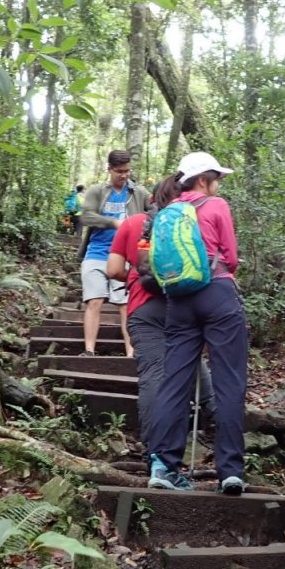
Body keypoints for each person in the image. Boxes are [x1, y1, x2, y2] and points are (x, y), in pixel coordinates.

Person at [145, 152, 249, 494]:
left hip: (178, 299)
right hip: (217, 293)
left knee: (174, 380)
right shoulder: (216, 205)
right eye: (216, 175)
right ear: (204, 177)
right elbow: (231, 258)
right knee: (229, 381)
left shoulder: (169, 209)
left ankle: (163, 466)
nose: (219, 182)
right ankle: (230, 471)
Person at [105, 175, 216, 447]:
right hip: (186, 305)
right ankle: (220, 430)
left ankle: (155, 448)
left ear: (153, 198)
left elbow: (113, 270)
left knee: (154, 375)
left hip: (144, 307)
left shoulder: (132, 224)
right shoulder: (193, 221)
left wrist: (136, 273)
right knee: (193, 363)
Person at [77, 151, 149, 357]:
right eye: (119, 171)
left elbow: (154, 212)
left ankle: (131, 353)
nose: (124, 175)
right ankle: (89, 349)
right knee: (94, 300)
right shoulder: (97, 191)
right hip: (96, 253)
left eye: (127, 171)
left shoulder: (139, 192)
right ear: (109, 169)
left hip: (127, 256)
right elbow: (87, 216)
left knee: (125, 304)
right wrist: (113, 223)